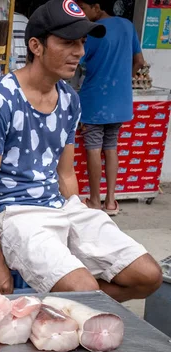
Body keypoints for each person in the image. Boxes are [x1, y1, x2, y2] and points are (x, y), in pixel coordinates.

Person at [0, 0, 162, 301]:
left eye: (83, 42)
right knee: (83, 290)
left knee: (148, 276)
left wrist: (79, 225)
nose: (80, 53)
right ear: (36, 45)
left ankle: (56, 307)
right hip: (17, 214)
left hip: (61, 206)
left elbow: (66, 172)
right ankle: (74, 304)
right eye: (68, 43)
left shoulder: (69, 99)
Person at [77, 0, 145, 216]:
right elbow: (140, 61)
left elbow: (78, 60)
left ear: (97, 8)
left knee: (94, 147)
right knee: (111, 147)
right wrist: (126, 78)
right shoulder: (127, 25)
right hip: (120, 99)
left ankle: (95, 201)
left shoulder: (93, 31)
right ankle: (111, 202)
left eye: (84, 10)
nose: (83, 15)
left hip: (95, 99)